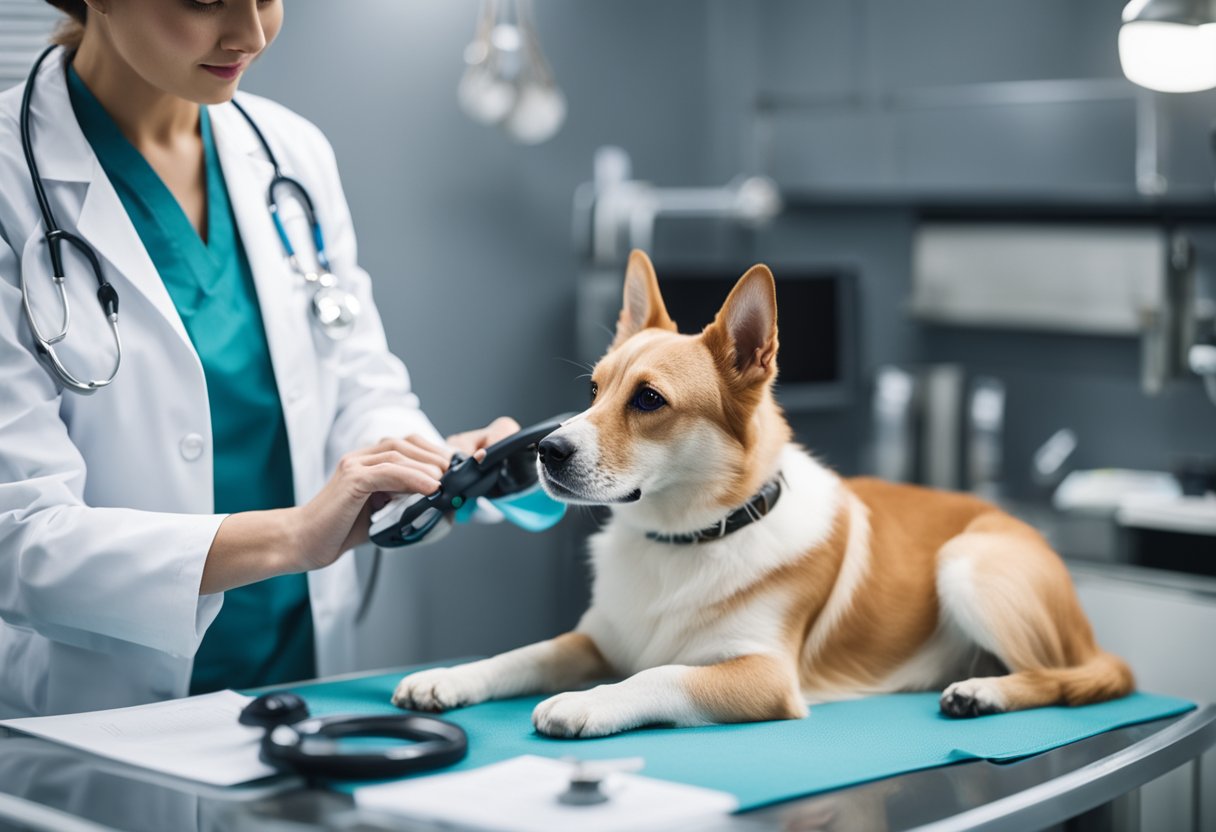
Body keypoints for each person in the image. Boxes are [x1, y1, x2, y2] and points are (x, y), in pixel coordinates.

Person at [0, 0, 518, 717]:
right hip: (101, 711)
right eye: (206, 0)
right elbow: (19, 537)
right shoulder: (9, 185)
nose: (251, 33)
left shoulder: (289, 152)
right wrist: (295, 536)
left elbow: (357, 384)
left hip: (299, 674)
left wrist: (427, 466)